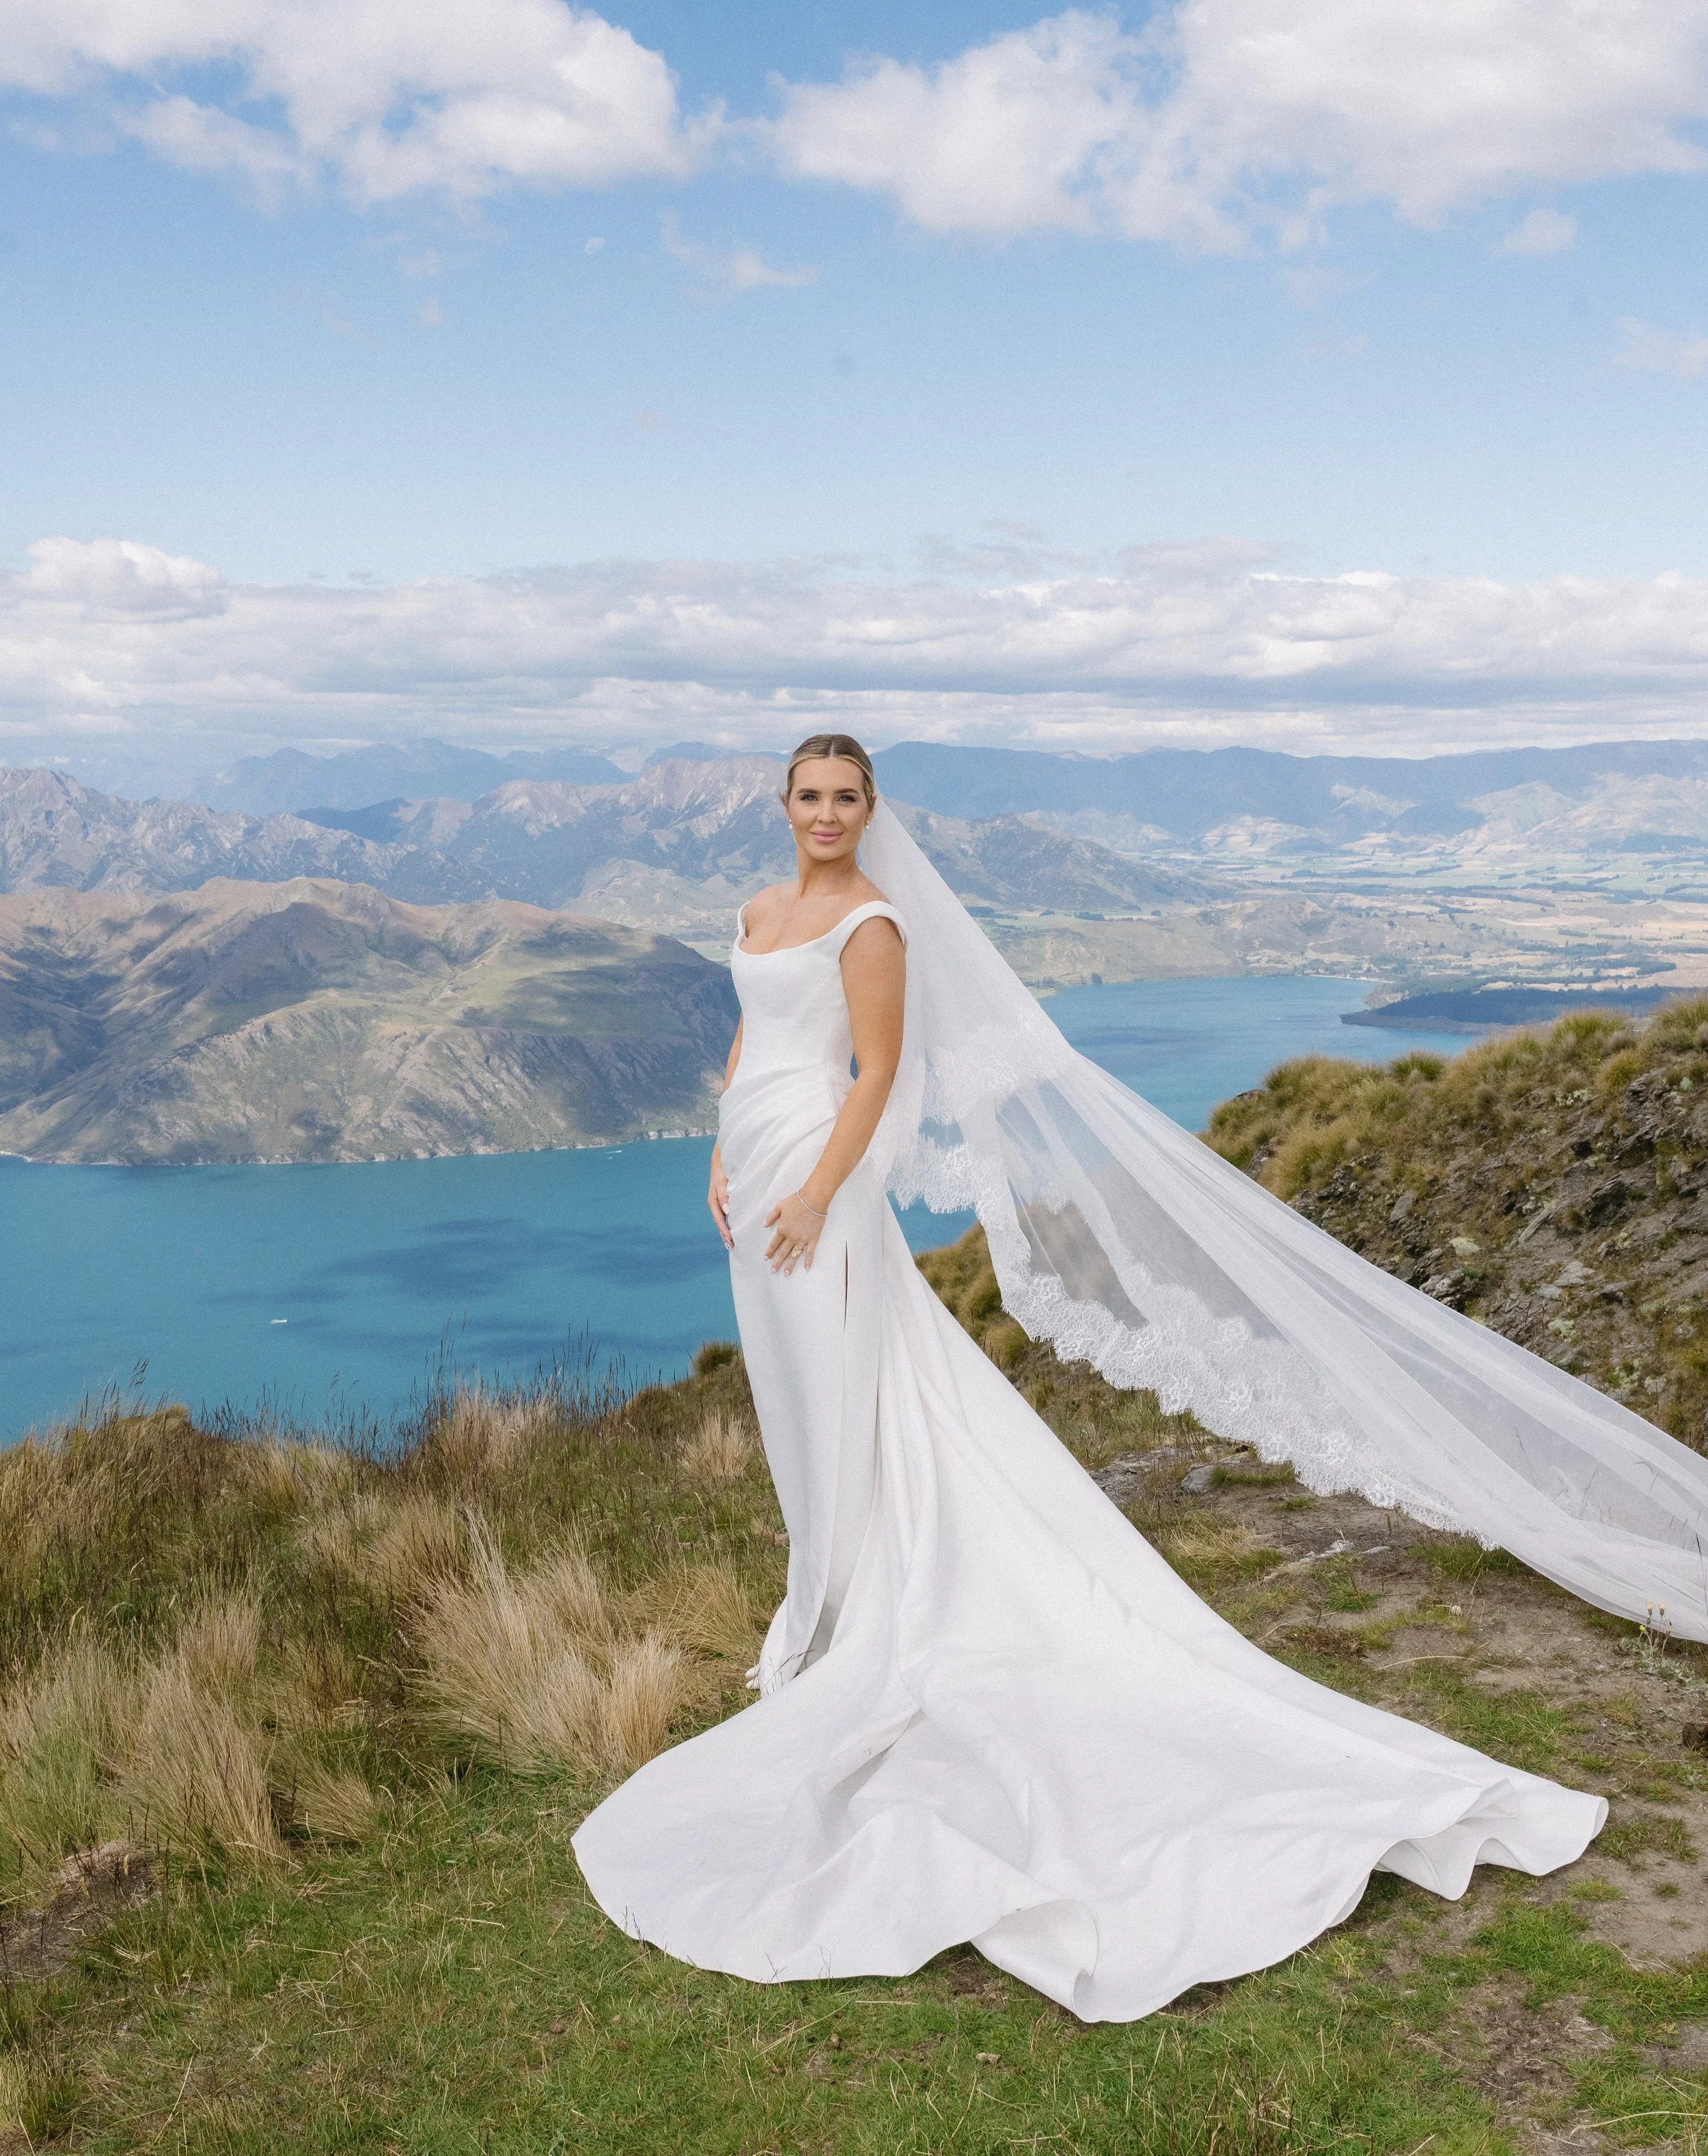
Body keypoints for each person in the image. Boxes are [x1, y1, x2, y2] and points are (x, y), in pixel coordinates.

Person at [573, 730, 1708, 2023]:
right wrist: (721, 1157)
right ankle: (826, 1599)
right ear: (781, 806)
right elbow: (750, 1037)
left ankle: (860, 1610)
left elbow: (876, 1070)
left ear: (870, 811)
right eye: (808, 796)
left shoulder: (876, 923)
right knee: (793, 1403)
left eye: (846, 799)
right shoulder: (758, 908)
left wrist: (821, 1191)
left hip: (816, 1190)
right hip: (755, 1166)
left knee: (846, 1393)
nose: (826, 815)